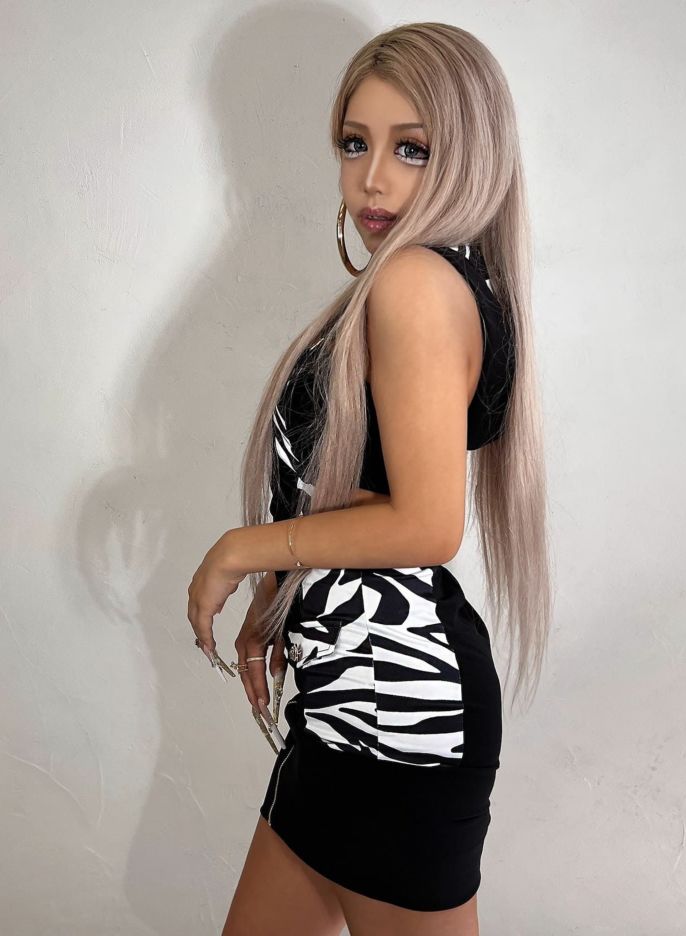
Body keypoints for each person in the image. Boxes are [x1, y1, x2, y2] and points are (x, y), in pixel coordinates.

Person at [187, 21, 552, 936]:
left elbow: (427, 525)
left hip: (399, 722)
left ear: (470, 154)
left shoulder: (416, 284)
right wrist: (280, 597)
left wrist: (241, 550)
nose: (373, 180)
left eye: (411, 149)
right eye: (356, 144)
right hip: (345, 709)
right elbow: (347, 490)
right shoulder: (438, 281)